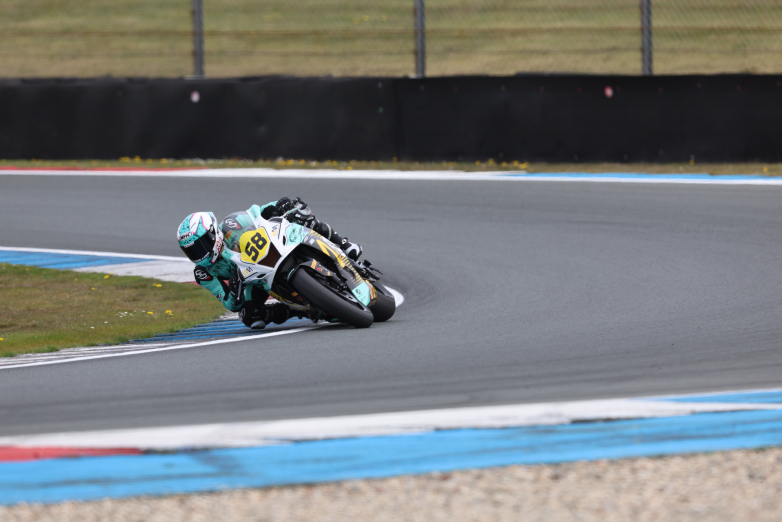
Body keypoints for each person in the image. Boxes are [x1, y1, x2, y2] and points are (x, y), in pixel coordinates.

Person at [176, 197, 362, 329]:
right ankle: (306, 310)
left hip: (273, 249)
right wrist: (233, 291)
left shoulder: (231, 224)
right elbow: (230, 304)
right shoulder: (203, 273)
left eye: (200, 246)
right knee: (250, 317)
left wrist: (279, 205)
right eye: (191, 251)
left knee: (301, 216)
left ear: (212, 233)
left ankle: (344, 244)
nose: (198, 254)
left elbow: (257, 213)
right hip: (254, 279)